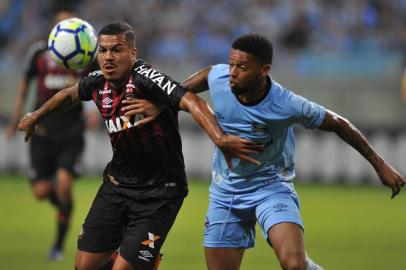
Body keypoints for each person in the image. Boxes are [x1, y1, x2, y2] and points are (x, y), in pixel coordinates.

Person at [18, 22, 262, 270]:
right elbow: (68, 95)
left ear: (133, 53)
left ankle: (144, 259)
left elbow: (192, 101)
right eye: (103, 51)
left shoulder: (147, 79)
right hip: (116, 187)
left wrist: (219, 138)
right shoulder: (96, 81)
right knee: (84, 265)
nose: (108, 57)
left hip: (160, 193)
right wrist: (35, 116)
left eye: (117, 50)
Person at [172, 33, 406, 270]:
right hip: (226, 193)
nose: (232, 72)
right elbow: (192, 84)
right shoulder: (219, 77)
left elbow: (339, 123)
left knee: (295, 265)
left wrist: (380, 164)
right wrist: (162, 100)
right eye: (231, 64)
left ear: (264, 70)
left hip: (270, 188)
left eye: (241, 67)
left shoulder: (286, 103)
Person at [6, 9, 99, 261]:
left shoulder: (89, 54)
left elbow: (100, 84)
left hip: (71, 132)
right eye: (61, 23)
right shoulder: (38, 52)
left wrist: (94, 111)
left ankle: (58, 245)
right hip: (42, 132)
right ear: (55, 29)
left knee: (64, 183)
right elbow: (25, 82)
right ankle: (65, 208)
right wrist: (17, 118)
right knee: (41, 191)